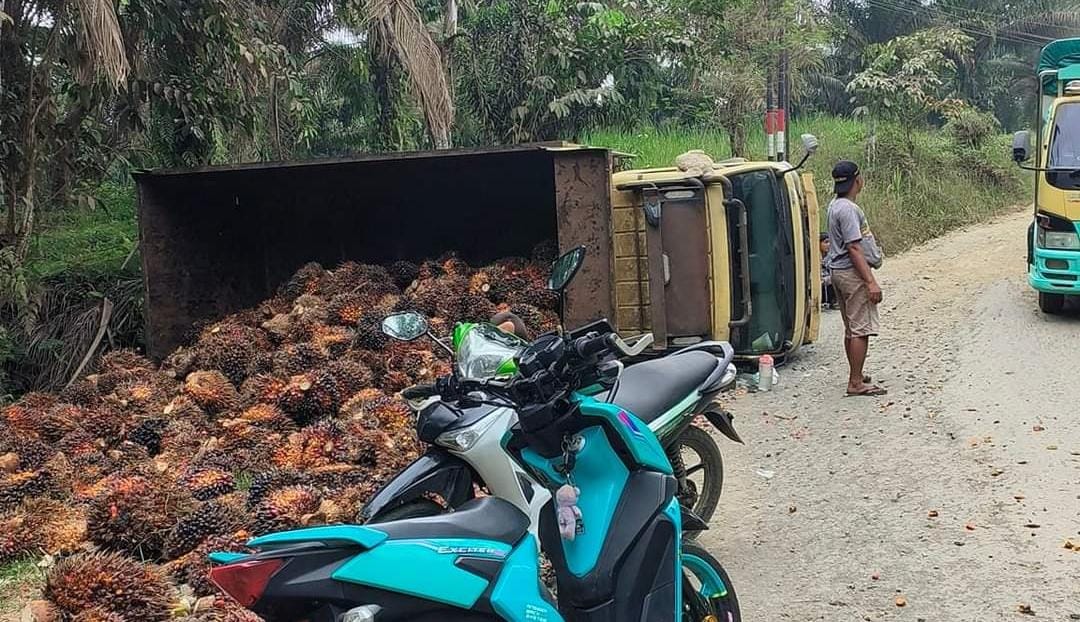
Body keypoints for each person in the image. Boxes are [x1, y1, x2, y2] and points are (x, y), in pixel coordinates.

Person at [826, 160, 886, 397]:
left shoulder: (835, 205)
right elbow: (854, 248)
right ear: (857, 181)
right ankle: (855, 382)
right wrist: (870, 281)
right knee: (861, 329)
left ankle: (857, 374)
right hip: (851, 273)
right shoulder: (849, 210)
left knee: (851, 328)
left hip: (838, 272)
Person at [819, 233, 838, 310]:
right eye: (826, 242)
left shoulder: (831, 257)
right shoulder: (813, 259)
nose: (828, 245)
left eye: (830, 242)